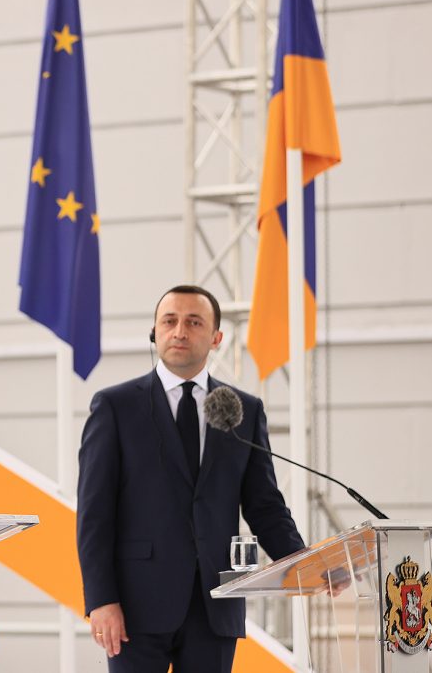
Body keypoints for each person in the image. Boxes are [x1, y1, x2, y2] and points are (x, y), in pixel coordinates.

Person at [76, 284, 305, 672]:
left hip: (215, 605)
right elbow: (94, 515)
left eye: (193, 322)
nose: (179, 331)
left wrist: (304, 563)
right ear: (155, 332)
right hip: (134, 607)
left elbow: (264, 504)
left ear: (216, 337)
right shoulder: (116, 406)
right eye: (170, 321)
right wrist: (101, 600)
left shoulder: (243, 410)